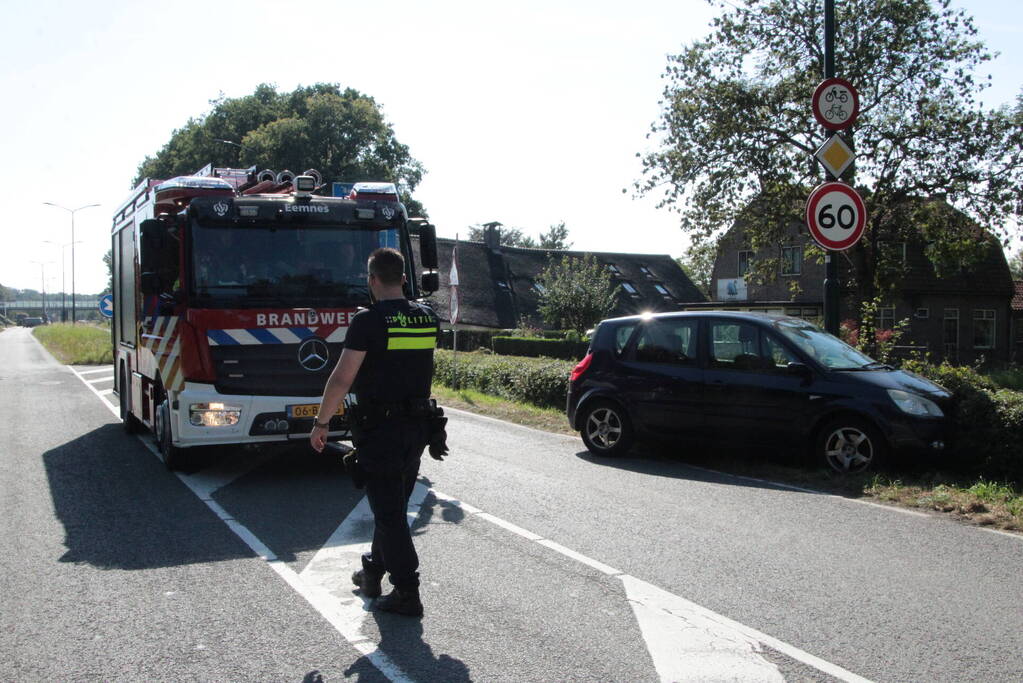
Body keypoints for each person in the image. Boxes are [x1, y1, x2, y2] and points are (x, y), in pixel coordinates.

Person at [310, 247, 444, 617]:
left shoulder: (367, 322)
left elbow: (342, 378)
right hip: (417, 428)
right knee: (393, 507)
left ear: (371, 281)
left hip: (380, 430)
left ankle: (407, 592)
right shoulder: (427, 318)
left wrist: (321, 423)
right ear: (403, 278)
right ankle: (372, 572)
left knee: (389, 514)